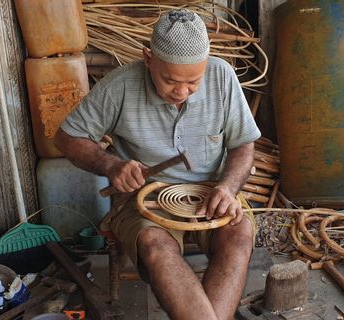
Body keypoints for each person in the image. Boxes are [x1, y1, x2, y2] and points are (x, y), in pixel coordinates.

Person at [54, 8, 261, 320]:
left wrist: (228, 188)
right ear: (148, 57)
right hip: (144, 196)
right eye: (170, 80)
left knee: (240, 231)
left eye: (193, 82)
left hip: (212, 190)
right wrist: (111, 166)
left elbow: (244, 145)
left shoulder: (223, 77)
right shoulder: (119, 86)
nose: (181, 91)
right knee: (154, 245)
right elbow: (67, 138)